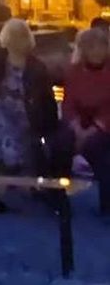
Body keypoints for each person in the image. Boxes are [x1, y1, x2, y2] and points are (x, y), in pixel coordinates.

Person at [0, 18, 69, 212]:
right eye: (13, 37)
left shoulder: (37, 67)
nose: (17, 42)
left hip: (25, 114)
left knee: (13, 138)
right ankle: (10, 189)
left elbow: (47, 99)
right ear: (7, 39)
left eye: (21, 37)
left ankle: (0, 193)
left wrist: (50, 125)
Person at [61, 28, 110, 214]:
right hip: (78, 121)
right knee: (60, 144)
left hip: (104, 124)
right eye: (92, 47)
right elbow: (68, 103)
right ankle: (58, 195)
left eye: (101, 47)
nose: (97, 51)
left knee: (100, 150)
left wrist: (94, 128)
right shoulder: (73, 72)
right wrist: (76, 127)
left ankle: (107, 205)